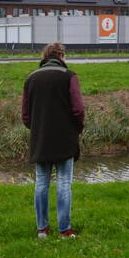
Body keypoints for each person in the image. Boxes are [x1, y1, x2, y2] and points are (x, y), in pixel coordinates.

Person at [21, 42, 85, 238]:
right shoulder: (69, 76)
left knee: (41, 183)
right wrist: (77, 128)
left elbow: (25, 114)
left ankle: (42, 229)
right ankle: (65, 230)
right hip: (65, 137)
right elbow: (79, 109)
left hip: (40, 138)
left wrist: (38, 129)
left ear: (45, 56)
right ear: (61, 56)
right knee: (64, 182)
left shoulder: (31, 78)